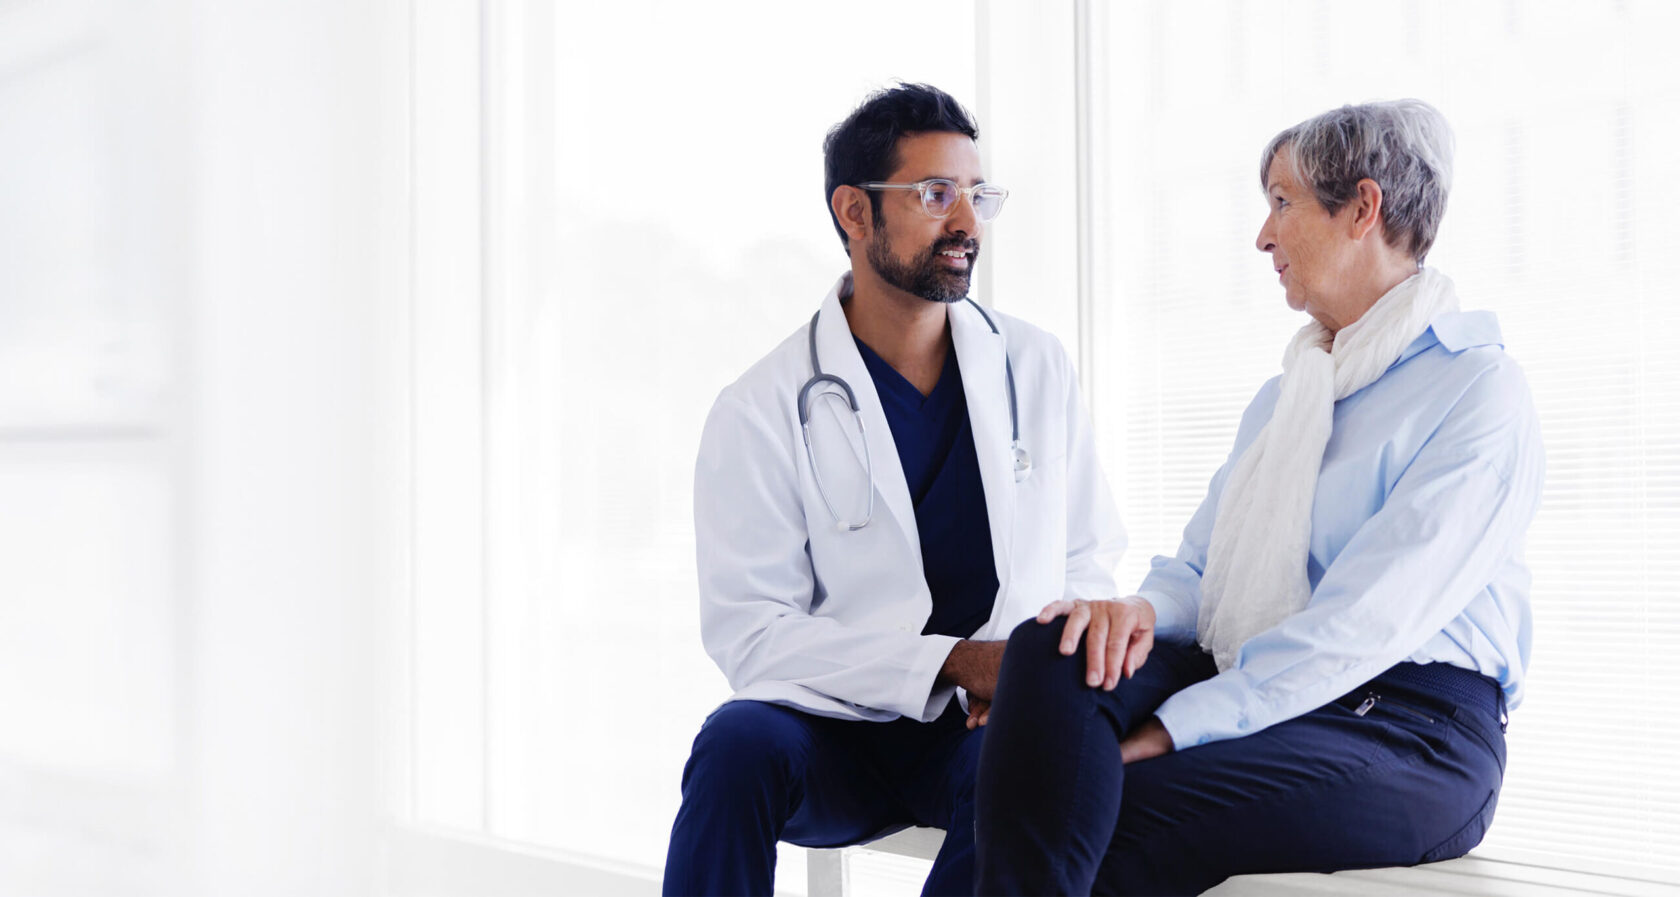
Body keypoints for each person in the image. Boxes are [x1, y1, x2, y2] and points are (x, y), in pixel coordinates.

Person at [973, 99, 1545, 895]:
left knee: (1097, 803)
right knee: (1053, 651)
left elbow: (1361, 621)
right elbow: (1200, 570)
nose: (1263, 235)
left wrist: (1178, 727)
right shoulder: (1289, 395)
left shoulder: (1478, 391)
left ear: (1363, 208)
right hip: (1259, 677)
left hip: (1411, 731)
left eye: (1282, 202)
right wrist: (1131, 613)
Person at [659, 83, 1126, 897]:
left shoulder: (1036, 366)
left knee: (1028, 771)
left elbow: (1088, 559)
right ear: (854, 211)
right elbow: (753, 633)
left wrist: (1028, 674)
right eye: (935, 194)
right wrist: (950, 662)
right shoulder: (761, 407)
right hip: (838, 728)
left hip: (989, 726)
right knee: (733, 746)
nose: (967, 224)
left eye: (977, 195)